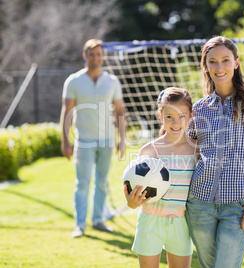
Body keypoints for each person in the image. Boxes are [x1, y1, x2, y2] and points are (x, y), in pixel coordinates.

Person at [185, 36, 244, 268]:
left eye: (225, 60)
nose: (219, 67)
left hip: (239, 206)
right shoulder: (199, 108)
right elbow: (186, 153)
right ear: (205, 66)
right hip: (199, 204)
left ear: (236, 62)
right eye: (213, 62)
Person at [124, 87, 196, 268]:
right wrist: (132, 203)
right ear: (160, 116)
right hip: (150, 220)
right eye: (169, 116)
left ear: (191, 115)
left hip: (181, 223)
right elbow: (134, 189)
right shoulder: (150, 150)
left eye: (181, 116)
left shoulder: (197, 150)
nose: (175, 122)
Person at [60, 39, 126, 238]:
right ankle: (79, 225)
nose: (95, 58)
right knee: (82, 183)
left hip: (107, 141)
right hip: (84, 140)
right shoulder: (74, 81)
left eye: (98, 54)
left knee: (102, 182)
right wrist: (65, 140)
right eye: (92, 54)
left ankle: (98, 220)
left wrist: (122, 139)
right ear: (85, 55)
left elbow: (120, 111)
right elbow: (67, 111)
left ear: (102, 56)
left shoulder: (112, 81)